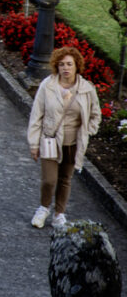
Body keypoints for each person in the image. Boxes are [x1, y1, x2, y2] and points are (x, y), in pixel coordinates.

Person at [27, 46, 102, 229]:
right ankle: (43, 208)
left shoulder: (86, 89)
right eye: (61, 65)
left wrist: (88, 130)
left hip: (73, 142)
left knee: (65, 179)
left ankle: (59, 214)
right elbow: (36, 115)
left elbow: (95, 114)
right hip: (50, 139)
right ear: (56, 67)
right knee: (49, 180)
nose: (65, 68)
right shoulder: (48, 85)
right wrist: (34, 143)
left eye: (69, 64)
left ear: (77, 66)